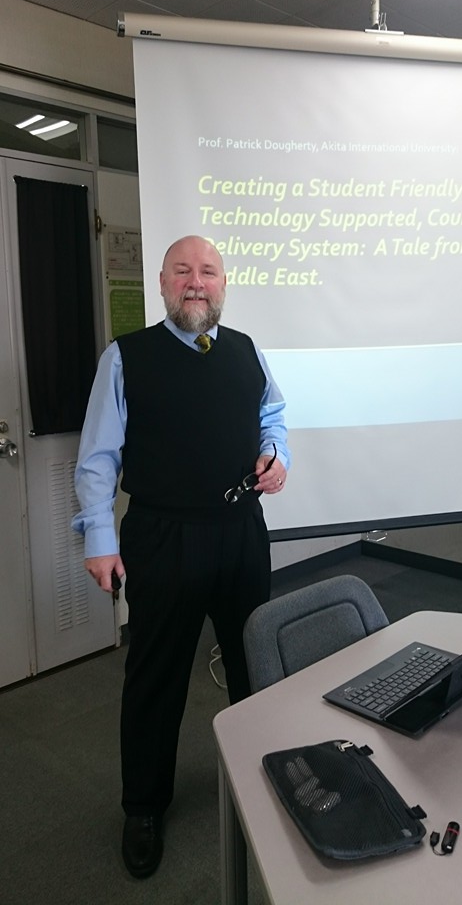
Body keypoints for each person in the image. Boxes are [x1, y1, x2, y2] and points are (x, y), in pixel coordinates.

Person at [72, 235, 290, 879]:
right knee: (156, 678)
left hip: (241, 530)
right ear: (163, 283)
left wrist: (276, 455)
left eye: (208, 272)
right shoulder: (126, 357)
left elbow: (273, 415)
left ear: (223, 283)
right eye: (183, 272)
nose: (196, 282)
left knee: (254, 662)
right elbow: (97, 457)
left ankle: (263, 777)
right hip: (163, 537)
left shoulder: (246, 350)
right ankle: (143, 807)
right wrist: (99, 539)